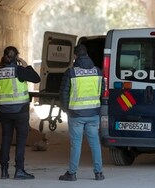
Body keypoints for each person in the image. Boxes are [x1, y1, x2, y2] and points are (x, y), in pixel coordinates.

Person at [59, 44, 105, 181]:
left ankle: (72, 173)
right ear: (87, 55)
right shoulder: (98, 71)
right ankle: (99, 173)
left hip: (76, 115)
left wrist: (66, 109)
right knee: (95, 143)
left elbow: (63, 93)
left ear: (75, 56)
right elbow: (102, 91)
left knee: (76, 144)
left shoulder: (71, 72)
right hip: (93, 113)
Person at [0, 46, 40, 180]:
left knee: (6, 140)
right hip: (20, 111)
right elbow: (36, 79)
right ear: (16, 58)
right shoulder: (19, 70)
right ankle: (19, 170)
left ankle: (4, 171)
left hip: (5, 112)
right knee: (20, 141)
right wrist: (26, 66)